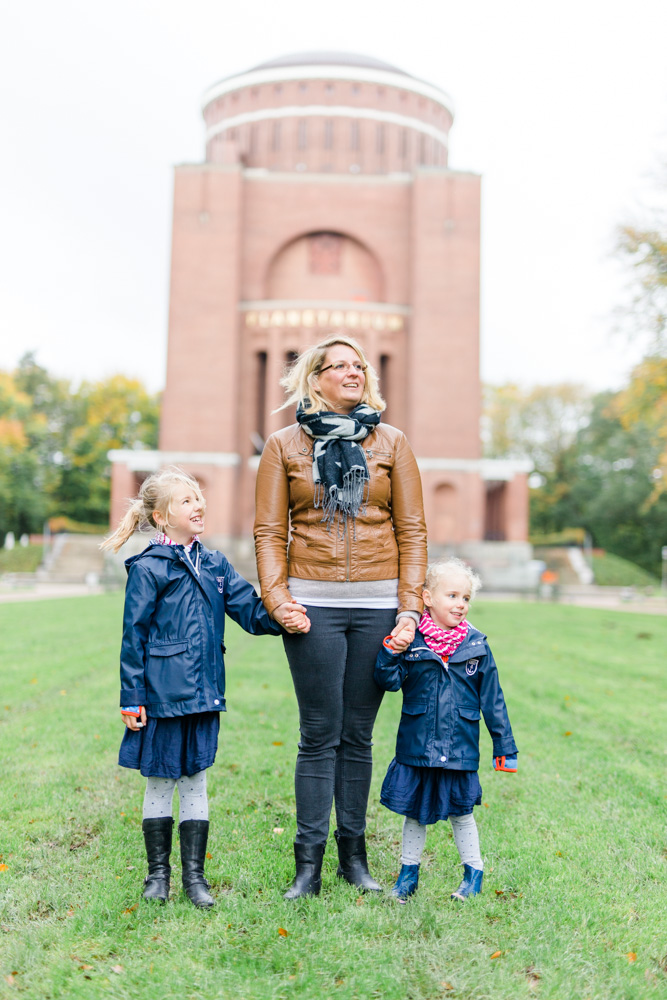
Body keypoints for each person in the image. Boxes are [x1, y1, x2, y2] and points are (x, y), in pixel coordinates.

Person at [254, 335, 427, 899]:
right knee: (318, 735)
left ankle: (354, 859)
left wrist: (410, 607)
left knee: (358, 734)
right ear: (316, 378)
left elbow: (413, 530)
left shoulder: (393, 441)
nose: (353, 373)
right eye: (340, 366)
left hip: (379, 605)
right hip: (313, 603)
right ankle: (308, 866)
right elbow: (269, 530)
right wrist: (278, 598)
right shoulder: (283, 445)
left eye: (359, 366)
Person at [101, 468, 309, 908]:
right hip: (159, 695)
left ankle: (195, 879)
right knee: (160, 781)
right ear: (161, 517)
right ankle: (157, 876)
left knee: (195, 779)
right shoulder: (149, 568)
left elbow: (250, 612)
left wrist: (282, 615)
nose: (199, 506)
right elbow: (132, 637)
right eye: (186, 501)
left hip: (203, 693)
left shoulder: (215, 564)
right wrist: (131, 696)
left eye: (199, 497)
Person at [374, 557, 518, 903]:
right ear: (427, 598)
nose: (460, 604)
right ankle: (407, 876)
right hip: (419, 743)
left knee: (461, 812)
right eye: (452, 596)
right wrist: (391, 652)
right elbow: (388, 681)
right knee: (415, 813)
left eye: (466, 598)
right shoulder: (413, 641)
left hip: (460, 746)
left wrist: (504, 748)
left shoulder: (476, 646)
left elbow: (493, 700)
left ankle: (474, 873)